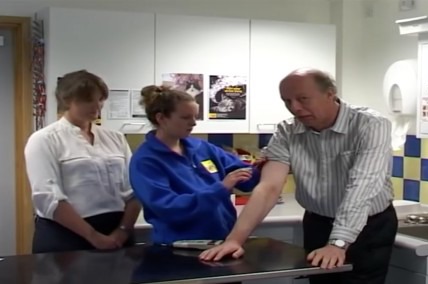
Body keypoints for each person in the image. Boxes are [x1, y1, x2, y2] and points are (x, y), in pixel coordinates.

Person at [200, 69, 398, 284]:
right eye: (287, 101)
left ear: (330, 94)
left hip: (369, 226)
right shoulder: (287, 131)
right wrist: (235, 240)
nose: (294, 107)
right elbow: (269, 187)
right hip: (318, 222)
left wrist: (338, 244)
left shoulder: (370, 125)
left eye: (303, 99)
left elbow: (362, 186)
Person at [24, 70, 141, 253]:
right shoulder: (44, 139)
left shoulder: (115, 138)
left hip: (117, 231)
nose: (97, 106)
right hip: (67, 234)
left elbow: (134, 189)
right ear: (67, 100)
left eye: (101, 99)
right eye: (88, 100)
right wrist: (93, 236)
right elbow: (48, 197)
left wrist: (123, 231)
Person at [128, 85, 261, 246]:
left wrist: (265, 166)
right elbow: (170, 209)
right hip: (179, 247)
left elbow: (247, 179)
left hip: (222, 241)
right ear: (161, 118)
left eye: (195, 117)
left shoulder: (202, 148)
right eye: (185, 117)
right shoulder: (146, 161)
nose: (193, 123)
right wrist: (221, 188)